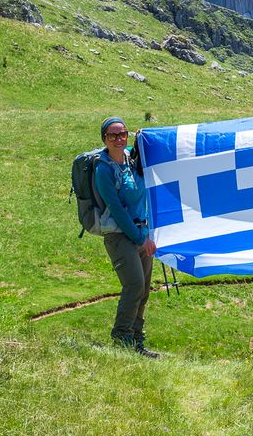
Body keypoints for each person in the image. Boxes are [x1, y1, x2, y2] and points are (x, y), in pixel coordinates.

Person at [94, 116, 159, 358]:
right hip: (120, 236)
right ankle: (121, 340)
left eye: (123, 134)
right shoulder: (103, 170)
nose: (119, 139)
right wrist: (140, 239)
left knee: (144, 290)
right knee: (133, 285)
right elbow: (118, 211)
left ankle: (136, 341)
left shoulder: (131, 159)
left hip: (142, 233)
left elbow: (151, 153)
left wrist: (144, 138)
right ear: (104, 138)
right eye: (113, 135)